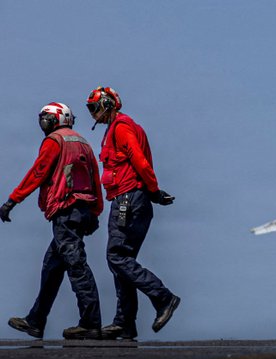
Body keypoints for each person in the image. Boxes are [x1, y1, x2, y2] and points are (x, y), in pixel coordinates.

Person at [1, 103, 103, 340]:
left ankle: (90, 323)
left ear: (55, 119)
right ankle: (36, 321)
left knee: (76, 266)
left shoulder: (55, 141)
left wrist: (12, 201)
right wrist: (95, 212)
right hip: (82, 210)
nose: (42, 122)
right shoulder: (82, 142)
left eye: (45, 118)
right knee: (52, 268)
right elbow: (94, 178)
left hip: (66, 211)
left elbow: (38, 173)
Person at [86, 86, 179, 340]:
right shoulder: (122, 127)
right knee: (122, 260)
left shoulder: (121, 127)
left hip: (127, 199)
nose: (92, 113)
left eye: (94, 107)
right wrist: (153, 193)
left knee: (116, 256)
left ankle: (163, 297)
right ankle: (125, 323)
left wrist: (154, 190)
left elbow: (139, 160)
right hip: (133, 199)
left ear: (107, 104)